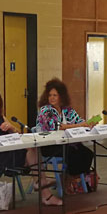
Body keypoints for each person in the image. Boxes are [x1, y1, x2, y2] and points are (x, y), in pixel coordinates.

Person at [35, 78, 96, 206]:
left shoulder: (67, 110)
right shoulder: (45, 111)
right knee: (72, 154)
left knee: (87, 153)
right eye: (50, 95)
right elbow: (57, 126)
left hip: (66, 142)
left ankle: (70, 177)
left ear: (61, 96)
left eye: (55, 95)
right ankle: (66, 179)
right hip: (50, 145)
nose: (52, 98)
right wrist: (79, 125)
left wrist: (88, 123)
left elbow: (79, 120)